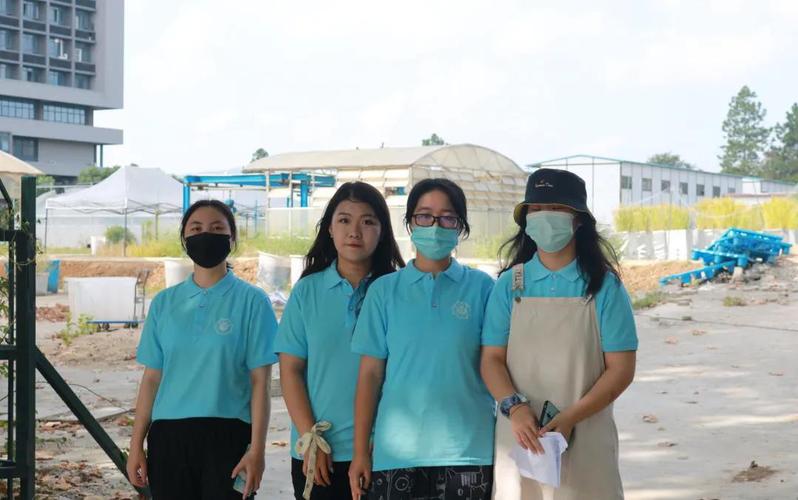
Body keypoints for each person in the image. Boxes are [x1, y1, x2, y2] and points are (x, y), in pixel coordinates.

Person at [480, 168, 638, 500]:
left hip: (587, 433)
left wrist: (570, 418)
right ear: (525, 220)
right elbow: (491, 360)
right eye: (536, 209)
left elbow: (621, 369)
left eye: (556, 208)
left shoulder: (604, 286)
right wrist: (515, 408)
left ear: (578, 219)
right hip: (521, 436)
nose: (544, 216)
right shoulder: (510, 284)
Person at [348, 178, 495, 500]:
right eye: (425, 215)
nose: (435, 225)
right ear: (410, 223)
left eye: (447, 217)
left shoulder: (484, 288)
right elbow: (370, 375)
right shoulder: (384, 291)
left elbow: (496, 362)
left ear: (461, 227)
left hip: (468, 453)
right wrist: (360, 452)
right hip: (396, 453)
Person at [126, 199, 277, 499]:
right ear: (184, 239)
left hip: (229, 437)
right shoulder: (164, 303)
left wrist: (257, 449)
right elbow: (152, 378)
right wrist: (135, 446)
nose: (206, 234)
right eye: (196, 228)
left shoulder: (253, 301)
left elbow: (260, 382)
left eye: (217, 228)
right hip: (168, 439)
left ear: (232, 238)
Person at [275, 182, 405, 500]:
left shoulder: (399, 291)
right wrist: (310, 438)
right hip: (321, 454)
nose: (355, 232)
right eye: (344, 220)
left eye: (368, 221)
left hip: (386, 451)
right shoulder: (306, 292)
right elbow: (291, 370)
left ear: (383, 232)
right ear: (330, 229)